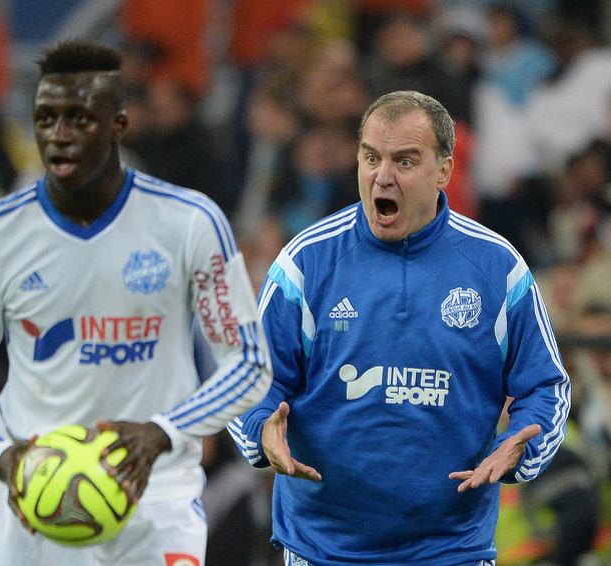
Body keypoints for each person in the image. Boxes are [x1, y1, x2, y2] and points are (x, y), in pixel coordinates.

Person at [0, 40, 272, 565]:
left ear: (117, 123)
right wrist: (3, 456)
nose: (59, 136)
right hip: (33, 500)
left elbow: (249, 362)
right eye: (45, 119)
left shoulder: (189, 223)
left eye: (79, 119)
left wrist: (165, 431)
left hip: (154, 500)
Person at [228, 90, 571, 566]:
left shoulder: (498, 268)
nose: (381, 176)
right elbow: (249, 379)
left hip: (453, 550)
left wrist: (523, 447)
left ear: (445, 170)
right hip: (323, 548)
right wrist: (259, 428)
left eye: (404, 161)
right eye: (371, 158)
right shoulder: (304, 263)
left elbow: (546, 385)